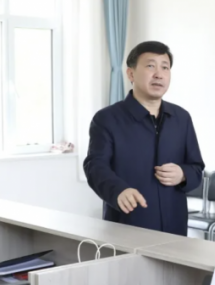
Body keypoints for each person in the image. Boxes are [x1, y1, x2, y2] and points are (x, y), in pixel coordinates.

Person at [84, 41, 204, 236]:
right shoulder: (107, 119)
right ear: (131, 74)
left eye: (165, 67)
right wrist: (118, 191)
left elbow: (196, 168)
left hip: (174, 227)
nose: (159, 74)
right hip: (128, 224)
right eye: (150, 66)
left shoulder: (181, 118)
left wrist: (183, 174)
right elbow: (95, 166)